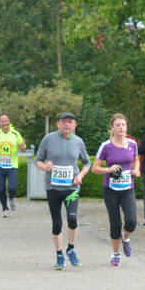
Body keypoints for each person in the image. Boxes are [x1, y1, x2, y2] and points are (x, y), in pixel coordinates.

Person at [33, 111, 88, 269]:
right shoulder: (48, 139)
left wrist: (81, 176)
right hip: (53, 188)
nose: (67, 124)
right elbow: (38, 161)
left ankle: (71, 249)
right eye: (64, 122)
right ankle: (59, 254)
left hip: (71, 188)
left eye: (70, 122)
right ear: (58, 124)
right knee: (57, 223)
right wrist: (45, 166)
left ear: (74, 125)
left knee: (72, 219)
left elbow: (87, 163)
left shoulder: (78, 141)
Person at [94, 113, 141, 264]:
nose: (121, 127)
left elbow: (135, 160)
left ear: (126, 127)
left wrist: (137, 170)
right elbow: (95, 168)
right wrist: (108, 169)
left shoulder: (132, 144)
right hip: (111, 189)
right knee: (115, 223)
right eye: (118, 125)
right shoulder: (106, 146)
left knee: (132, 221)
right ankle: (115, 254)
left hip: (128, 188)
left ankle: (126, 238)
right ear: (112, 128)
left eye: (123, 125)